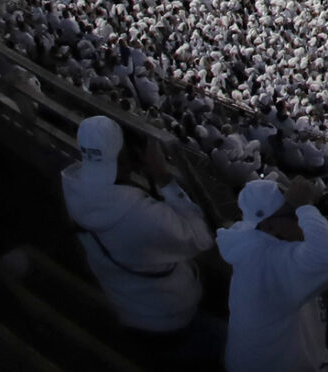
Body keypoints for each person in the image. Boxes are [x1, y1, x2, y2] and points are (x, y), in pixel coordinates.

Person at [62, 115, 217, 353]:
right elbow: (201, 237)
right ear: (125, 159)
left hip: (125, 305)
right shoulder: (139, 214)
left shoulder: (74, 187)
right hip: (169, 316)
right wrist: (163, 178)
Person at [218, 176, 328, 372]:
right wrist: (305, 206)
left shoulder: (249, 241)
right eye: (294, 214)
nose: (301, 221)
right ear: (268, 225)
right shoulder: (269, 259)